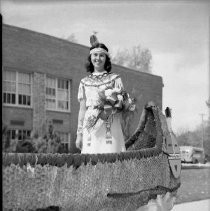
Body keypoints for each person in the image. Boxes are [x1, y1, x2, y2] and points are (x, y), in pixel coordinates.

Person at [75, 41, 132, 154]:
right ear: (90, 57)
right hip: (91, 126)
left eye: (101, 55)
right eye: (95, 55)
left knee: (112, 158)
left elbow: (124, 103)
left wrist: (120, 104)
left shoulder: (115, 78)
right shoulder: (84, 82)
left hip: (110, 124)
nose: (98, 58)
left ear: (106, 58)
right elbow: (82, 110)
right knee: (91, 161)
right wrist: (79, 134)